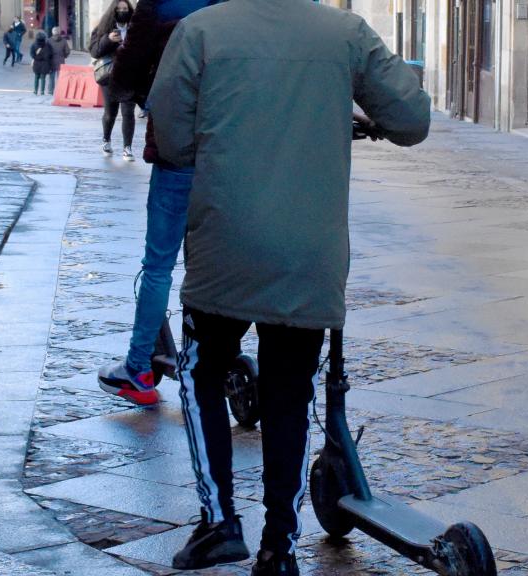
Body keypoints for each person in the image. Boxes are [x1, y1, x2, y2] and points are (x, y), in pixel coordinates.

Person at [147, 0, 430, 572]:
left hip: (226, 243)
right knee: (290, 394)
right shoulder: (346, 32)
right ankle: (281, 546)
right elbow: (411, 119)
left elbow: (172, 139)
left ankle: (219, 520)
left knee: (202, 373)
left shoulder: (200, 31)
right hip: (308, 254)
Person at [95, 0, 219, 404]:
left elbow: (123, 78)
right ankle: (217, 358)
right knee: (217, 262)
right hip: (231, 151)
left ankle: (138, 369)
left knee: (159, 264)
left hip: (177, 148)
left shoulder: (157, 4)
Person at [88, 0, 136, 160]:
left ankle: (127, 148)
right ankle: (106, 140)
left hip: (129, 74)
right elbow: (94, 51)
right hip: (110, 76)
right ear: (113, 11)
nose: (122, 11)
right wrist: (108, 39)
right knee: (111, 112)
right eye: (119, 9)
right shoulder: (104, 28)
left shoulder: (135, 27)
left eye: (125, 8)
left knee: (128, 112)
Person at [47, 26, 70, 94]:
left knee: (51, 77)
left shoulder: (49, 40)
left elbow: (46, 51)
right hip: (61, 61)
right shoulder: (63, 41)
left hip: (51, 61)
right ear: (59, 32)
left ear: (52, 32)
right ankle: (60, 91)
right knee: (60, 77)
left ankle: (51, 91)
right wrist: (64, 56)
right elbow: (67, 51)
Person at [30, 31, 53, 95]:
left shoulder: (34, 44)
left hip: (36, 63)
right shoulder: (48, 45)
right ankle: (42, 91)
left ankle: (35, 90)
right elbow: (50, 54)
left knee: (36, 77)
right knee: (43, 78)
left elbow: (32, 54)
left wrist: (36, 57)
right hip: (45, 64)